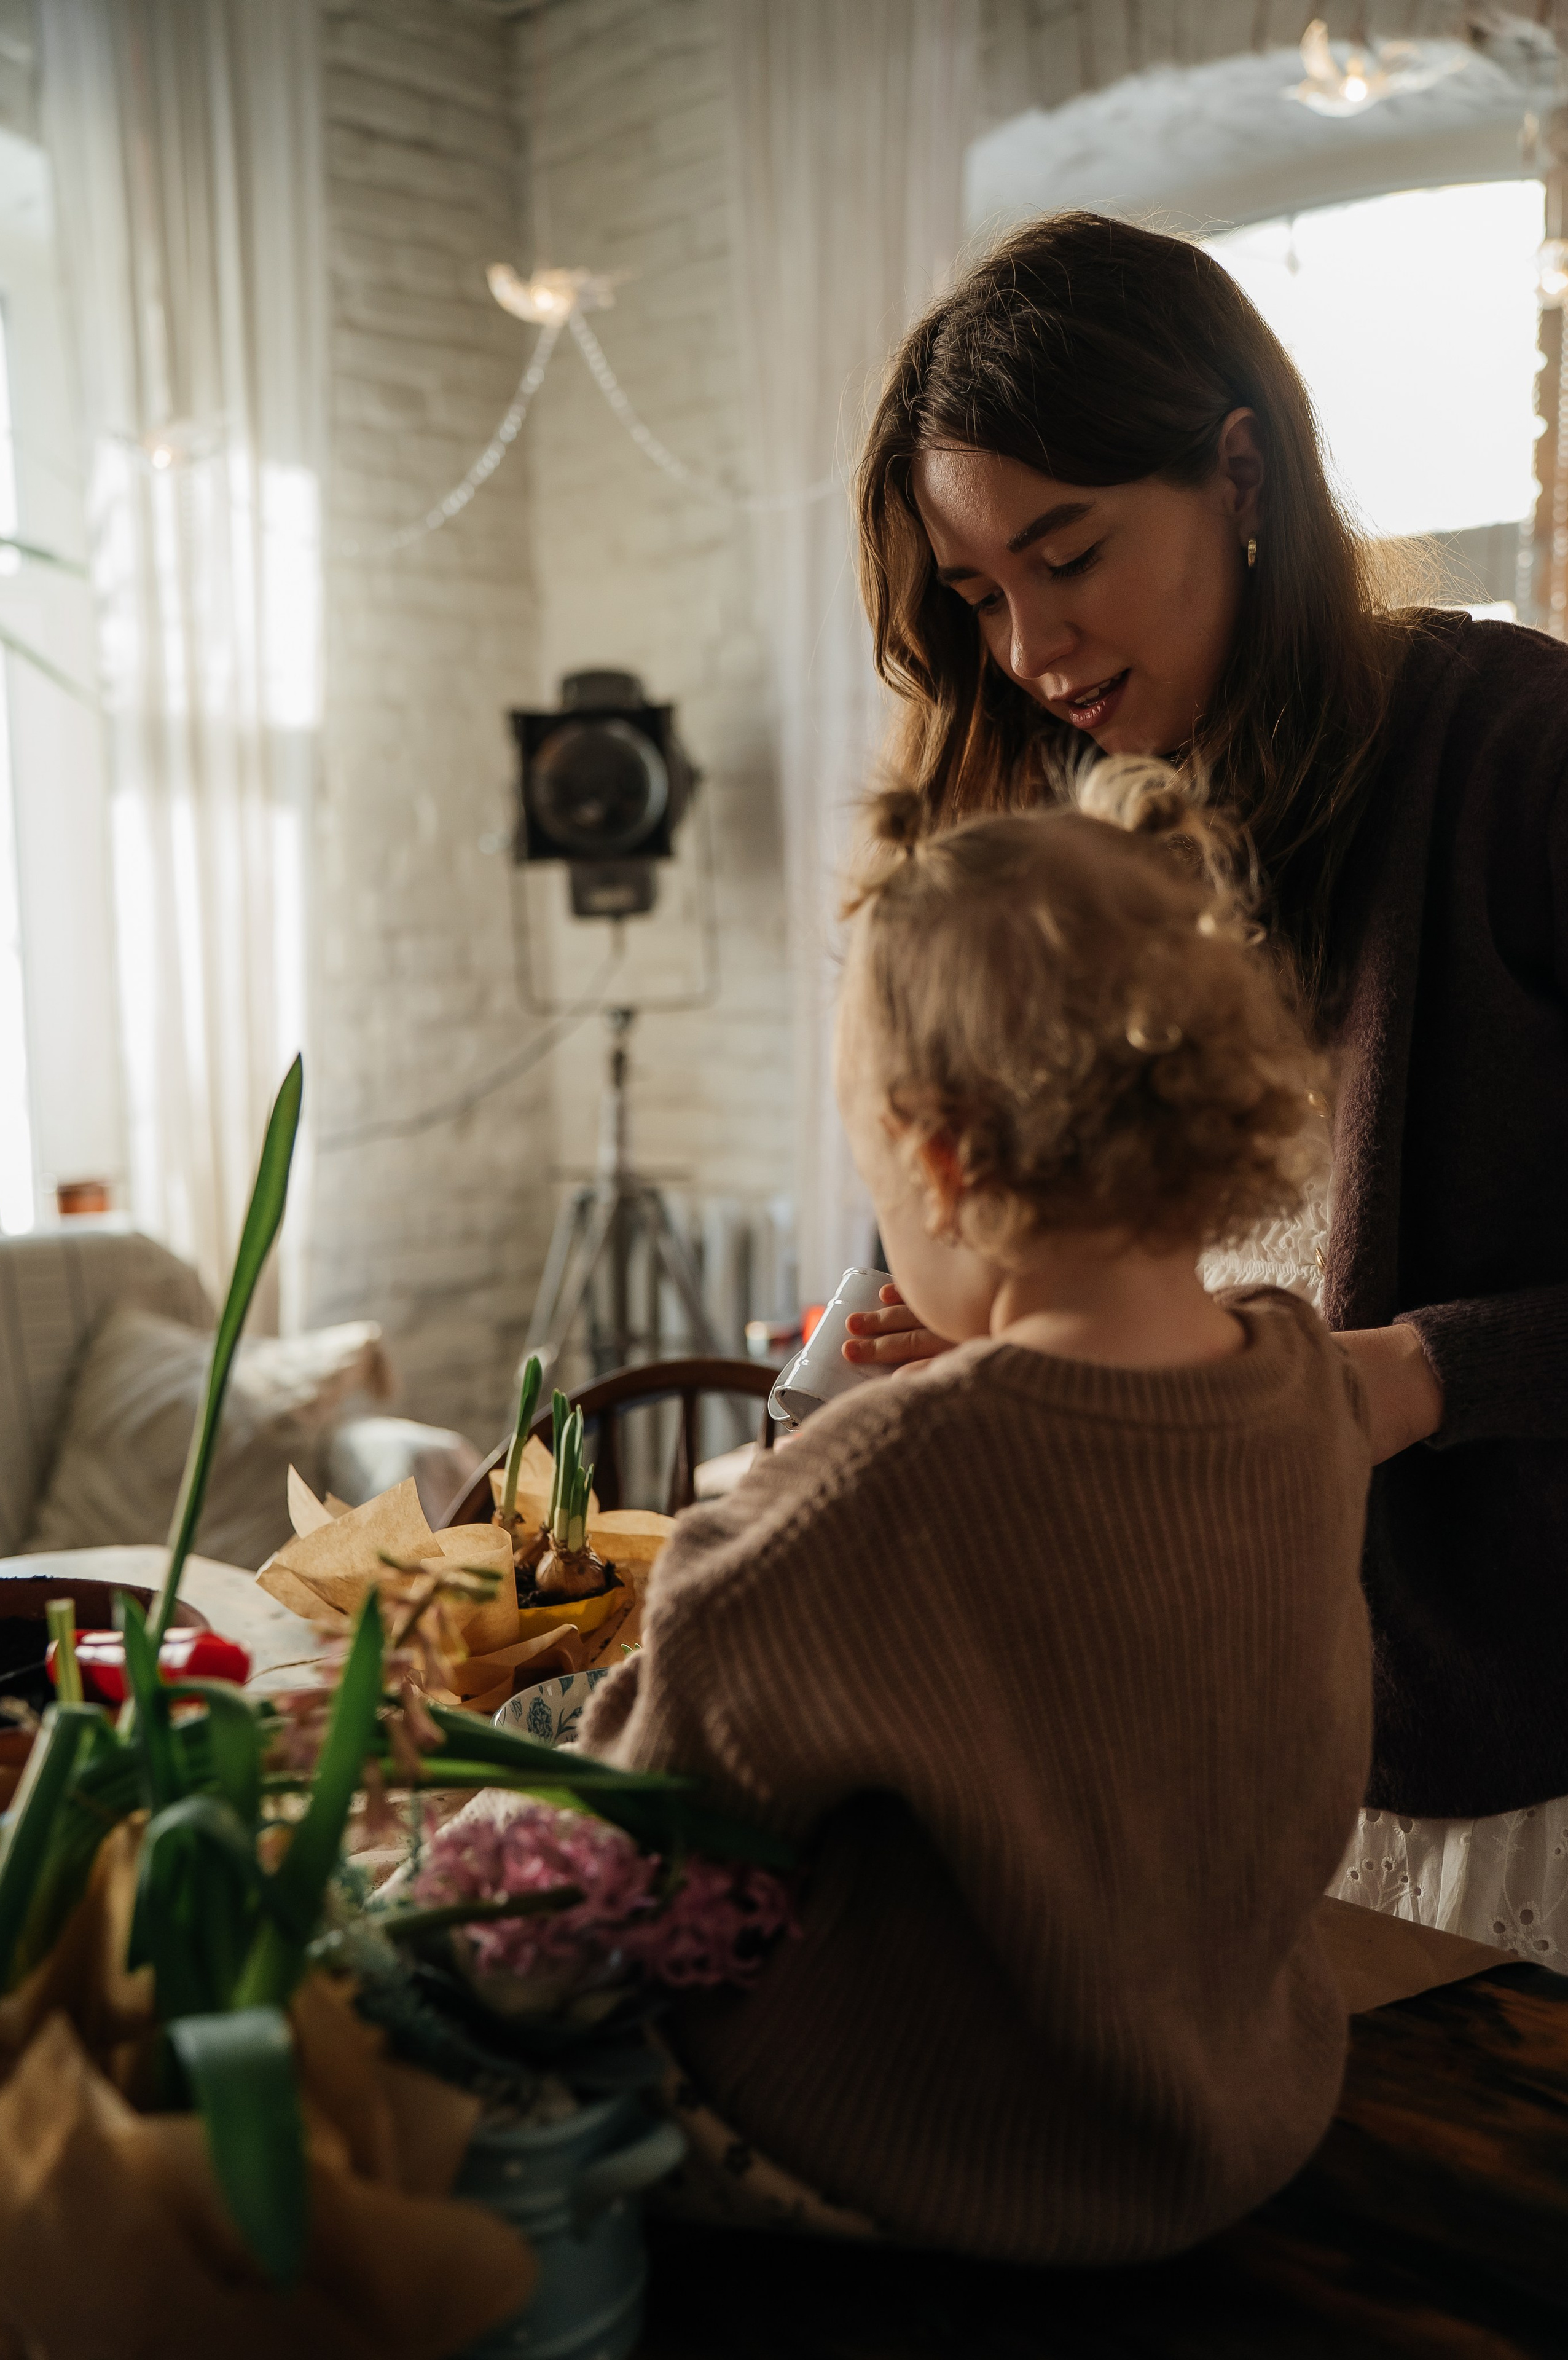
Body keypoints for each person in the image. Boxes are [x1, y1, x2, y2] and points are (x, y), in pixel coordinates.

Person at [844, 211, 1568, 1965]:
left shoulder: (1521, 756)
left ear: (1241, 473)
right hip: (1177, 1741)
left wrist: (1413, 1378)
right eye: (975, 597)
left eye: (1069, 554)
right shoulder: (1053, 837)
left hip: (1503, 1758)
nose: (1029, 648)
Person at [578, 765, 1373, 2262]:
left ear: (940, 1162)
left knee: (482, 2083)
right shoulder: (1297, 1382)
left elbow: (657, 1783)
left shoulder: (895, 1478)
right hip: (1240, 2108)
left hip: (937, 2157)